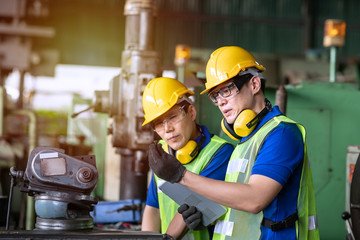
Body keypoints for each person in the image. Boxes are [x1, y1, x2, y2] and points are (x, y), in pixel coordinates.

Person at [148, 46, 320, 240]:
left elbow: (255, 199)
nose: (220, 102)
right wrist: (205, 216)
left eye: (227, 90)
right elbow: (237, 209)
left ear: (254, 84)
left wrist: (181, 176)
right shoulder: (245, 140)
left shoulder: (282, 133)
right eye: (215, 96)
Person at [141, 77, 234, 240]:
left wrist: (168, 238)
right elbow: (153, 208)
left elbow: (194, 202)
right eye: (158, 123)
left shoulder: (219, 152)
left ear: (191, 112)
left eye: (173, 117)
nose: (167, 129)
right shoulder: (162, 153)